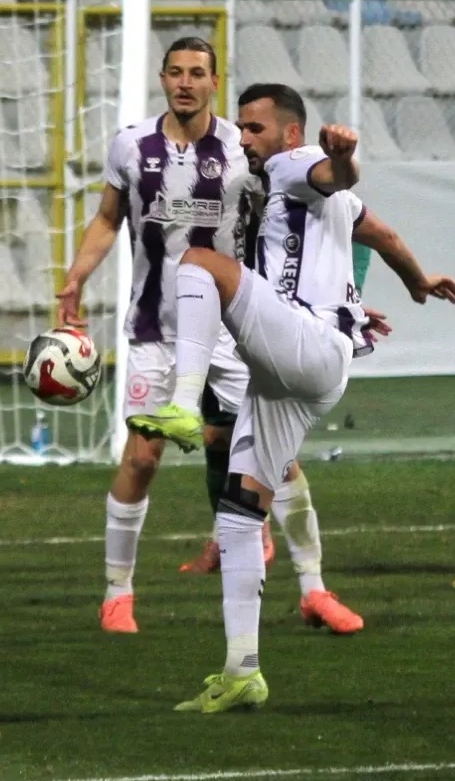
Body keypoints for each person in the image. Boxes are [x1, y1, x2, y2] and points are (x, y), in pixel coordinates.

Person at [129, 83, 455, 712]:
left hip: (306, 343)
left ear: (290, 133)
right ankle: (242, 672)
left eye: (255, 128)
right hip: (309, 367)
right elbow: (383, 234)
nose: (245, 139)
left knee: (199, 263)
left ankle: (182, 403)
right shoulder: (310, 196)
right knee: (240, 510)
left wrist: (343, 156)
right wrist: (418, 283)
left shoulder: (293, 165)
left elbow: (334, 174)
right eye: (242, 128)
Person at [56, 37, 332, 635]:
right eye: (176, 72)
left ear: (213, 82)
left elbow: (297, 218)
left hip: (232, 332)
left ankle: (315, 589)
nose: (185, 82)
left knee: (278, 456)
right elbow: (107, 218)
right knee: (141, 457)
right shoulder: (131, 145)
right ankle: (117, 594)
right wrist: (76, 277)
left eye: (197, 73)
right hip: (154, 329)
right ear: (163, 79)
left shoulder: (241, 148)